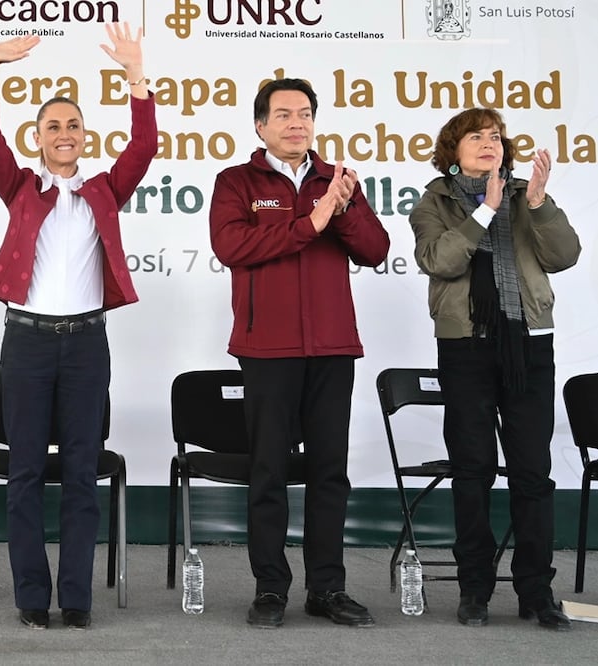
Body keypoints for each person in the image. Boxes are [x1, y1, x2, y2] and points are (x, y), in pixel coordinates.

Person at [0, 23, 156, 630]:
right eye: (52, 126)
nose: (64, 133)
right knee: (24, 471)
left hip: (85, 344)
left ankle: (75, 598)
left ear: (84, 136)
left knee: (81, 471)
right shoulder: (21, 186)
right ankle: (32, 597)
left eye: (73, 125)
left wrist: (136, 78)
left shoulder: (103, 190)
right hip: (25, 342)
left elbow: (143, 149)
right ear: (38, 138)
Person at [209, 78, 389, 629]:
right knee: (268, 470)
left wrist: (345, 208)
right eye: (283, 114)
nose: (297, 123)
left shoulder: (336, 181)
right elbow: (232, 246)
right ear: (260, 125)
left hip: (333, 347)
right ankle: (270, 588)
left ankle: (327, 588)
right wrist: (308, 225)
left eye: (305, 113)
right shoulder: (236, 181)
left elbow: (376, 251)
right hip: (267, 349)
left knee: (330, 472)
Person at [409, 108, 580, 630]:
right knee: (473, 469)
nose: (489, 144)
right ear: (453, 149)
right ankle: (475, 591)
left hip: (528, 342)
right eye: (475, 137)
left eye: (495, 137)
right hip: (466, 345)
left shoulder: (527, 194)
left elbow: (565, 255)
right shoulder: (434, 201)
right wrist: (483, 211)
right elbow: (439, 260)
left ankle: (536, 592)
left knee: (533, 471)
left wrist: (539, 205)